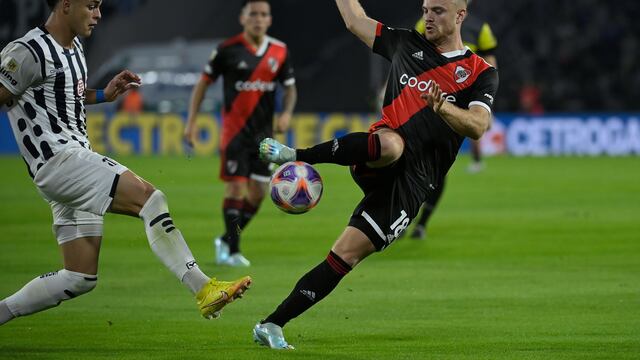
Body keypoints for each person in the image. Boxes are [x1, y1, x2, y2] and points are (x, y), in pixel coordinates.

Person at [252, 0, 499, 349]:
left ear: (460, 16)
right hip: (377, 156)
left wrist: (442, 106)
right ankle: (297, 155)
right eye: (426, 8)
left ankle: (271, 324)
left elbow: (477, 126)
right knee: (392, 144)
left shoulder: (479, 72)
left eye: (438, 10)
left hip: (415, 182)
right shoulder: (404, 43)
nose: (428, 15)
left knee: (345, 255)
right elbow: (355, 20)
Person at [0, 0, 250, 326]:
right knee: (150, 198)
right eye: (90, 5)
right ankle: (203, 289)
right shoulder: (28, 51)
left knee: (79, 277)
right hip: (60, 160)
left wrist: (104, 94)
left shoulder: (74, 48)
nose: (98, 14)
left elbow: (66, 93)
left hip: (69, 162)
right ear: (65, 5)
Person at [184, 0, 297, 267]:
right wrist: (191, 123)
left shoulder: (279, 51)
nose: (258, 19)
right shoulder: (227, 50)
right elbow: (202, 85)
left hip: (264, 138)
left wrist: (286, 114)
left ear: (269, 20)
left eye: (263, 14)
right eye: (253, 14)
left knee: (257, 194)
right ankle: (233, 251)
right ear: (242, 18)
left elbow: (290, 87)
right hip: (234, 134)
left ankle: (225, 238)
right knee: (235, 187)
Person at [410, 0, 498, 239]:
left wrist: (486, 104)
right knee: (409, 162)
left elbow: (489, 63)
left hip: (456, 106)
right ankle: (403, 216)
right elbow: (410, 55)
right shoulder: (426, 22)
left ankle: (421, 223)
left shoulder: (481, 28)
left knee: (438, 169)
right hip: (425, 99)